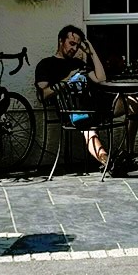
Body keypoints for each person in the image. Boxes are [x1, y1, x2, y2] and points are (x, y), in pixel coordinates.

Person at [34, 24, 113, 170]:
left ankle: (130, 154)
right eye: (71, 43)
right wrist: (68, 79)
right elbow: (43, 94)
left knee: (132, 103)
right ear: (60, 41)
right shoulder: (46, 64)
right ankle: (107, 161)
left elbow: (101, 80)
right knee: (90, 131)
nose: (74, 48)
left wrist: (91, 52)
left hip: (94, 105)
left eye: (77, 46)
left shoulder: (78, 63)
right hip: (72, 111)